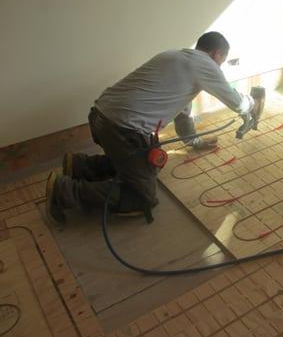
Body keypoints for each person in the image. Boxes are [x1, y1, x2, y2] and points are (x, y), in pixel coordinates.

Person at [46, 31, 254, 224]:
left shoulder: (176, 59)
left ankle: (78, 166)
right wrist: (252, 104)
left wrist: (194, 142)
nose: (220, 68)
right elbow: (237, 102)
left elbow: (183, 114)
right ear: (217, 54)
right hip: (121, 129)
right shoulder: (204, 64)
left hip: (100, 118)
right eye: (222, 62)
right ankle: (63, 191)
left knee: (146, 163)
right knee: (141, 197)